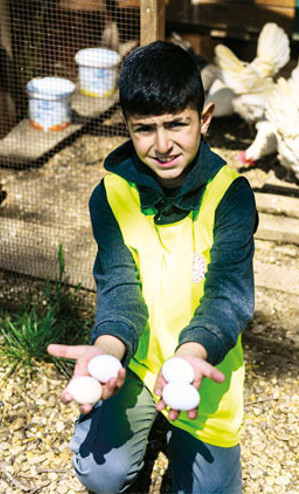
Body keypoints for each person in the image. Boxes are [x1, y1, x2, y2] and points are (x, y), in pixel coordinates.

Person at [47, 42, 257, 493]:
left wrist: (193, 354)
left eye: (177, 124)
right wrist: (106, 349)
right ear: (126, 125)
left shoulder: (231, 196)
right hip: (137, 361)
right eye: (144, 130)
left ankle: (172, 427)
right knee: (100, 473)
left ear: (204, 119)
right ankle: (144, 419)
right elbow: (119, 284)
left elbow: (229, 294)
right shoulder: (111, 195)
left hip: (201, 361)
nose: (162, 145)